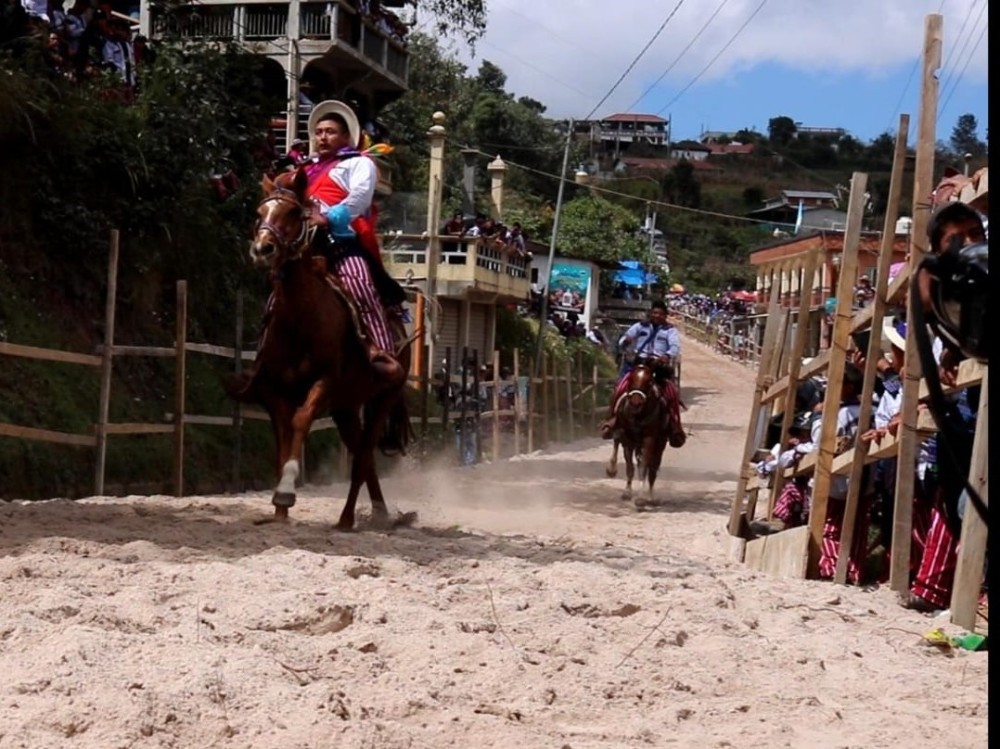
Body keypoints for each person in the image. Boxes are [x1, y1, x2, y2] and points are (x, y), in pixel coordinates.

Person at [303, 100, 406, 385]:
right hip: (304, 242)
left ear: (347, 136)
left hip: (341, 240)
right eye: (319, 131)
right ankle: (264, 354)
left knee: (360, 284)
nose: (323, 137)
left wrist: (328, 217)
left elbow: (359, 200)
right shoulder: (304, 167)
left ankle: (381, 352)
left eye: (331, 132)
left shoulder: (359, 163)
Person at [600, 300, 681, 439]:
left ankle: (674, 424)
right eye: (655, 313)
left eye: (660, 314)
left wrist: (666, 356)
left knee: (671, 393)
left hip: (658, 366)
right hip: (639, 363)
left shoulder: (670, 330)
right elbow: (627, 336)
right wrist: (625, 342)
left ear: (665, 315)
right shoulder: (640, 326)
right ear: (651, 313)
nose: (657, 316)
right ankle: (612, 419)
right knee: (620, 387)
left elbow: (674, 347)